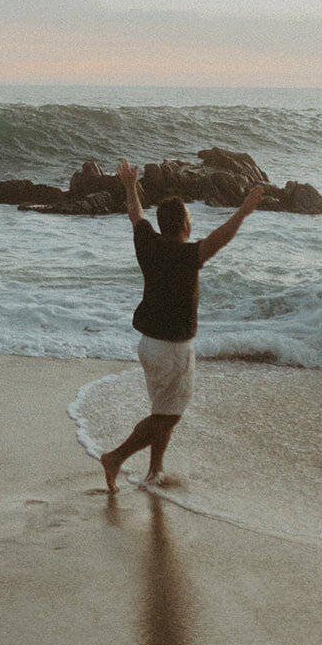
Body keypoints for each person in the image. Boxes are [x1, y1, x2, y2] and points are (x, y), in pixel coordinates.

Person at [100, 160, 263, 492]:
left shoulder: (148, 243)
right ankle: (115, 457)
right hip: (173, 349)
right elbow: (220, 238)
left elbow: (135, 214)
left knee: (163, 410)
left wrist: (130, 185)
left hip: (149, 345)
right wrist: (243, 211)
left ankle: (155, 470)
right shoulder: (190, 255)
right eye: (190, 217)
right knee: (168, 417)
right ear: (185, 224)